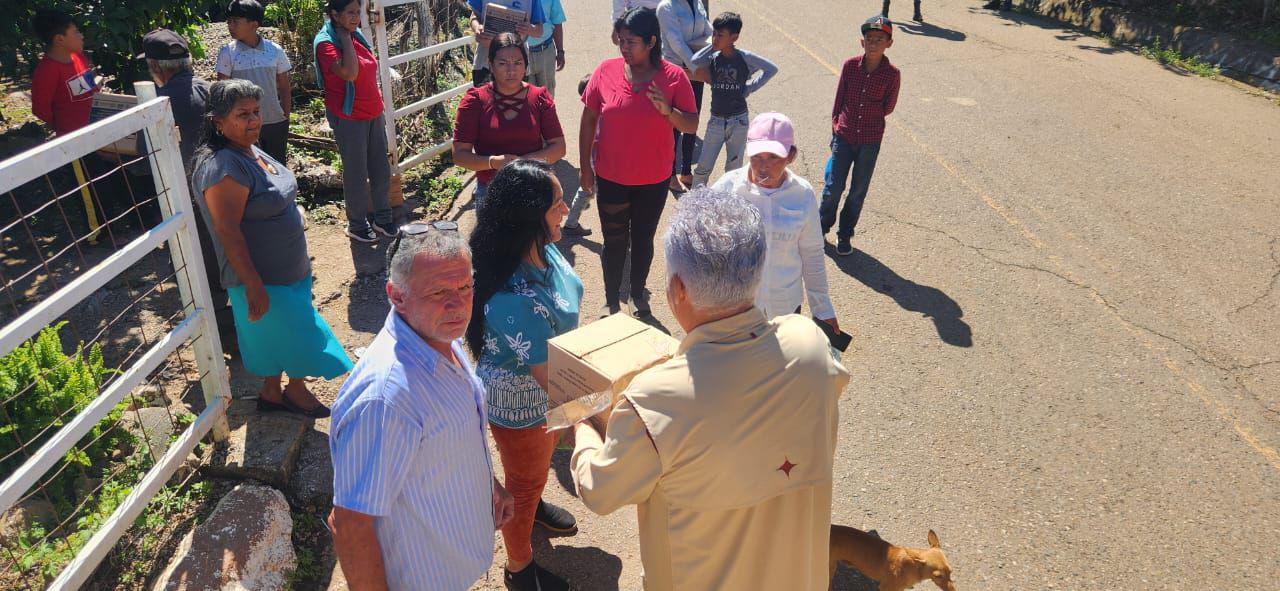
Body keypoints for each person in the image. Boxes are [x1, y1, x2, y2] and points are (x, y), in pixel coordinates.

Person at [570, 189, 850, 590]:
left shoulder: (652, 401)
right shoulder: (811, 345)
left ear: (679, 290)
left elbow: (599, 491)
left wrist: (583, 424)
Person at [329, 223, 515, 590]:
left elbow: (449, 432)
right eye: (439, 291)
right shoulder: (386, 400)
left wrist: (488, 486)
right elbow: (350, 524)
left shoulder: (437, 335)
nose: (458, 304)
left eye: (465, 287)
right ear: (396, 296)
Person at [190, 79, 351, 418]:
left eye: (255, 112)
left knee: (274, 336)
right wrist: (252, 284)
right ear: (218, 122)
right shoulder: (223, 167)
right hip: (263, 276)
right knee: (301, 334)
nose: (253, 121)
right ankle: (295, 390)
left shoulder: (249, 149)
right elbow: (228, 231)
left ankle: (271, 392)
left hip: (288, 270)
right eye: (242, 114)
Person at [466, 160, 581, 591]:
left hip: (548, 390)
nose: (567, 208)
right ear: (530, 216)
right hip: (523, 404)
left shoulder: (541, 247)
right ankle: (519, 567)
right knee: (523, 482)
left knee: (533, 472)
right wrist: (606, 418)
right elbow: (557, 382)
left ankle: (531, 506)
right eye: (556, 204)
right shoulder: (512, 298)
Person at [580, 7, 698, 318]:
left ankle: (636, 295)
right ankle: (610, 299)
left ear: (651, 42)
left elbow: (692, 125)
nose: (623, 47)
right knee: (614, 240)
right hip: (611, 176)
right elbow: (589, 118)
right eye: (621, 40)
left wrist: (668, 112)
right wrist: (584, 167)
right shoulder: (605, 70)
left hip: (653, 179)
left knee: (643, 238)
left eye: (631, 42)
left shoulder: (673, 78)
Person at [143, 28, 239, 354]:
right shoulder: (208, 90)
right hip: (221, 189)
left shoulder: (159, 105)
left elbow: (149, 157)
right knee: (226, 258)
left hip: (189, 198)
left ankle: (224, 339)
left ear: (156, 67)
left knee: (201, 268)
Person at [712, 112, 838, 330]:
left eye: (774, 158)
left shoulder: (802, 194)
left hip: (785, 307)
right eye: (757, 157)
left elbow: (812, 253)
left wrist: (822, 309)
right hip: (737, 309)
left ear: (791, 156)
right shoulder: (726, 189)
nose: (763, 167)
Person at [314, 0, 395, 243]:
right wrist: (345, 37)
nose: (356, 17)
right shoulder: (326, 43)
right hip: (348, 116)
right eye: (350, 13)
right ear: (335, 15)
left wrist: (349, 34)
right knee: (356, 173)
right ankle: (357, 224)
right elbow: (350, 73)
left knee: (381, 167)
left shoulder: (356, 34)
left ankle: (383, 217)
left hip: (372, 111)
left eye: (357, 12)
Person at [452, 33, 566, 207]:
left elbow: (559, 147)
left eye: (518, 63)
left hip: (533, 188)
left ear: (526, 66)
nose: (511, 70)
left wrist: (524, 163)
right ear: (490, 65)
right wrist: (492, 162)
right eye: (503, 63)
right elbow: (459, 155)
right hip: (490, 192)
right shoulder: (474, 101)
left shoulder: (540, 98)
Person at [820, 15, 900, 257]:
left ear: (889, 43)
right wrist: (835, 129)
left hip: (870, 140)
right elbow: (839, 100)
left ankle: (845, 234)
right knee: (833, 187)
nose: (873, 43)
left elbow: (888, 107)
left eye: (879, 39)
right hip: (844, 136)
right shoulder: (849, 66)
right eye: (869, 39)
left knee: (857, 190)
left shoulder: (892, 75)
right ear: (861, 42)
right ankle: (821, 227)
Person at [688, 12, 777, 189]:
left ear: (734, 37)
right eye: (714, 33)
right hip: (716, 120)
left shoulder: (745, 57)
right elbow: (694, 60)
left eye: (720, 35)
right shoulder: (713, 57)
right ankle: (695, 203)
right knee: (703, 167)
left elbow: (771, 68)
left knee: (733, 168)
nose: (715, 38)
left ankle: (728, 203)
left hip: (738, 121)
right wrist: (713, 47)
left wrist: (750, 88)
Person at [216, 0, 292, 164]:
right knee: (249, 168)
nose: (230, 25)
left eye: (235, 21)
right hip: (243, 125)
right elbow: (221, 93)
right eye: (229, 21)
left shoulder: (274, 50)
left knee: (277, 166)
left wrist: (285, 116)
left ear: (254, 24)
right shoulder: (227, 53)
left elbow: (285, 87)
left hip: (274, 122)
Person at [656, 0, 712, 193]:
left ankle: (686, 171)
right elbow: (676, 43)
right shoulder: (666, 7)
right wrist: (697, 68)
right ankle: (670, 175)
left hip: (695, 69)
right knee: (675, 125)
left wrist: (712, 46)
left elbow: (707, 30)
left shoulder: (697, 3)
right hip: (676, 71)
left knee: (692, 119)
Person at [30, 9, 97, 136]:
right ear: (60, 39)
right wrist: (63, 126)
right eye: (76, 32)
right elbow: (40, 110)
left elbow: (90, 90)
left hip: (95, 128)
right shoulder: (47, 72)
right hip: (71, 138)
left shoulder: (79, 57)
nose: (81, 36)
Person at [467, 0, 545, 86]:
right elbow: (474, 17)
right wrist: (477, 28)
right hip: (484, 64)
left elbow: (539, 31)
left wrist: (530, 29)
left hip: (516, 69)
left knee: (515, 99)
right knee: (484, 98)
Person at [560, 73, 595, 238]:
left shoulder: (593, 113)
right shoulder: (597, 114)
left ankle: (571, 223)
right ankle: (571, 224)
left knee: (584, 193)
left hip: (593, 164)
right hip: (599, 165)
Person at [526, 0, 567, 97]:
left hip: (546, 52)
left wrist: (560, 51)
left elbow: (557, 21)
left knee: (548, 94)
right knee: (526, 97)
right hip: (521, 54)